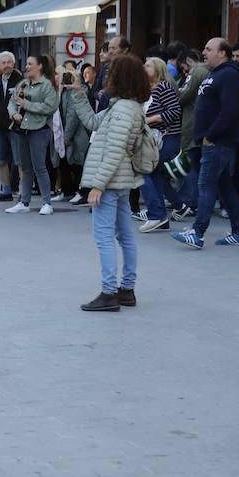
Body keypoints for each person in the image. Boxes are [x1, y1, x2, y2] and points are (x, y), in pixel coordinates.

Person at [65, 55, 150, 312]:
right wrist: (79, 94)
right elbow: (93, 123)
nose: (106, 77)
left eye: (111, 73)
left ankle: (109, 292)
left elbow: (113, 150)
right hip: (121, 181)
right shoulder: (123, 107)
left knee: (104, 237)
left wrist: (98, 185)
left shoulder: (123, 110)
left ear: (121, 78)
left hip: (111, 181)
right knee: (125, 236)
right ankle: (127, 290)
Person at [172, 38, 239, 249]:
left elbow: (231, 110)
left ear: (223, 53)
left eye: (209, 49)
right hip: (211, 141)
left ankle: (197, 233)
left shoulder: (229, 75)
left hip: (217, 142)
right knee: (225, 188)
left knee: (206, 185)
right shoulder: (215, 74)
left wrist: (211, 135)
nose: (204, 52)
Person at [5, 54, 59, 216]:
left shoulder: (46, 85)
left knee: (39, 167)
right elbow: (12, 103)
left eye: (30, 64)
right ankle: (24, 202)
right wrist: (14, 114)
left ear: (40, 66)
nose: (27, 67)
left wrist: (26, 105)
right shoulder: (23, 84)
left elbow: (50, 107)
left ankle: (47, 203)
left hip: (40, 129)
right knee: (25, 167)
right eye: (27, 64)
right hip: (23, 129)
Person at [139, 56, 183, 232]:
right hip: (155, 138)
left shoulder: (164, 87)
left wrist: (151, 119)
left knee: (145, 171)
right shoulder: (149, 89)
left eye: (148, 65)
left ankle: (156, 214)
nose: (144, 67)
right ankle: (161, 216)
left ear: (157, 69)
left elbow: (175, 111)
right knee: (154, 174)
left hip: (168, 137)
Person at [173, 48, 208, 219]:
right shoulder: (210, 72)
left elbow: (183, 96)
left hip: (191, 124)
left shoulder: (197, 72)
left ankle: (191, 202)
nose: (184, 72)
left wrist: (176, 93)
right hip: (203, 124)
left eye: (183, 68)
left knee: (190, 165)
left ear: (187, 61)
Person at [0, 52, 23, 202]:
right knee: (0, 159)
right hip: (0, 127)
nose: (7, 65)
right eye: (4, 63)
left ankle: (22, 192)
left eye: (9, 62)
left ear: (13, 64)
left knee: (20, 161)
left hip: (16, 126)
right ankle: (6, 191)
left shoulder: (20, 81)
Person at [61, 64, 93, 205]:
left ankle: (83, 193)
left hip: (80, 135)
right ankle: (77, 192)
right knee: (73, 162)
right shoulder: (64, 92)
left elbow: (73, 115)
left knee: (79, 163)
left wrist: (66, 136)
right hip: (76, 134)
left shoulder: (79, 91)